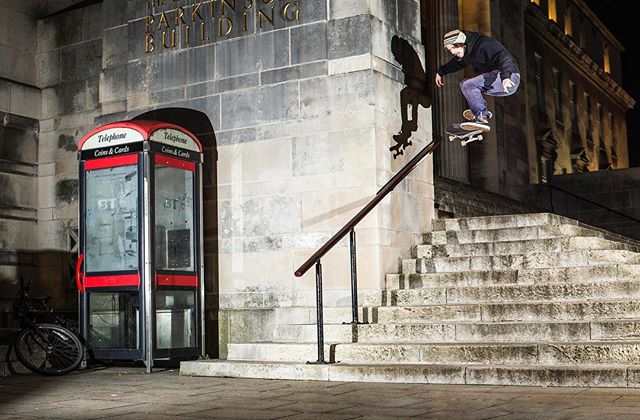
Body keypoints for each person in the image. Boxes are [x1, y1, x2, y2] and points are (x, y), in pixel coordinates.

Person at [435, 29, 520, 132]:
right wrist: (441, 72)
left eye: (453, 48)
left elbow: (504, 56)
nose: (452, 52)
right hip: (500, 82)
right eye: (450, 50)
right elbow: (456, 64)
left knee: (469, 85)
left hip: (509, 77)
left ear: (461, 43)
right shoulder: (467, 53)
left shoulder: (483, 43)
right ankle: (480, 111)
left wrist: (505, 76)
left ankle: (481, 116)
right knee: (464, 84)